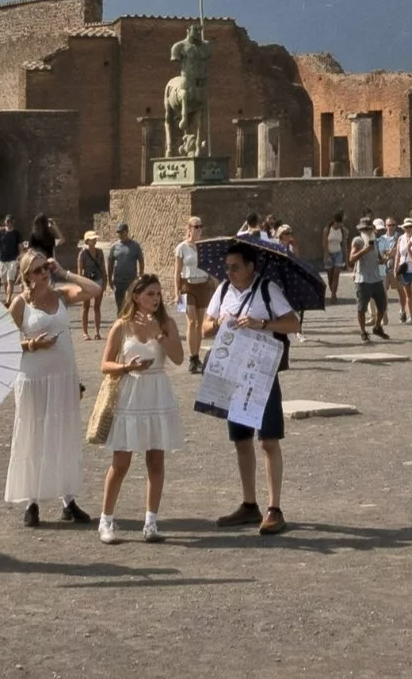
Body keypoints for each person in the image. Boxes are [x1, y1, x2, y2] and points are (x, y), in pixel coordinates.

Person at [202, 242, 300, 536]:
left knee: (269, 439)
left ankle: (274, 508)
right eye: (227, 267)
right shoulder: (222, 291)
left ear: (250, 267)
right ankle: (249, 504)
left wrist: (263, 323)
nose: (229, 272)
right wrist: (219, 322)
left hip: (263, 372)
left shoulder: (268, 290)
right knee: (240, 439)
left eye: (235, 267)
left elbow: (293, 324)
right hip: (233, 371)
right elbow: (204, 327)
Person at [5, 249, 101, 527]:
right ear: (27, 276)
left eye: (45, 268)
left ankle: (67, 500)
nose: (44, 273)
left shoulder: (61, 296)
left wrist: (64, 272)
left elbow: (95, 289)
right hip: (33, 377)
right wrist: (32, 345)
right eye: (37, 270)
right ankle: (31, 501)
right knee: (33, 436)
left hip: (63, 376)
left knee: (64, 435)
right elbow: (2, 344)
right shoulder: (20, 304)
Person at [96, 273, 186, 543]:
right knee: (121, 462)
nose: (156, 299)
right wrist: (127, 367)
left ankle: (151, 523)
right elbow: (104, 365)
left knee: (156, 460)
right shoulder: (121, 326)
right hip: (131, 393)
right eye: (150, 294)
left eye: (158, 294)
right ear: (136, 296)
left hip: (157, 393)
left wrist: (158, 333)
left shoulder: (166, 323)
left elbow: (179, 358)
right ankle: (106, 521)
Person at [173, 217, 214, 369]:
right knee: (192, 321)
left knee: (200, 323)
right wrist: (176, 292)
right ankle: (192, 357)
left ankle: (197, 356)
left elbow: (210, 268)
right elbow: (177, 271)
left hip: (202, 284)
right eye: (196, 226)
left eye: (200, 226)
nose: (198, 229)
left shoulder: (204, 246)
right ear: (189, 228)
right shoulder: (181, 247)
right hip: (187, 285)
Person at [347, 217, 392, 344]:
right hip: (363, 280)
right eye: (364, 229)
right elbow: (351, 259)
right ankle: (363, 331)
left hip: (376, 279)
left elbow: (379, 258)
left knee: (382, 305)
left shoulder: (375, 242)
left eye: (369, 228)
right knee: (361, 308)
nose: (367, 230)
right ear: (361, 230)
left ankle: (377, 327)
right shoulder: (358, 241)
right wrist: (364, 250)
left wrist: (383, 260)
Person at [105, 222, 146, 320]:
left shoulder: (135, 246)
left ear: (126, 232)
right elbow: (110, 263)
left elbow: (141, 261)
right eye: (118, 233)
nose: (120, 235)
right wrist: (109, 278)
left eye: (122, 232)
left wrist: (140, 276)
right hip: (119, 280)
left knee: (130, 303)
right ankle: (120, 325)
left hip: (131, 280)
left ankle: (131, 323)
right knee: (120, 305)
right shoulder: (114, 247)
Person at [77, 231, 108, 339]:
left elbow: (103, 268)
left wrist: (105, 281)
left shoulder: (100, 252)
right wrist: (80, 284)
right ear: (87, 241)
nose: (94, 241)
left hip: (98, 280)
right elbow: (80, 271)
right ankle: (85, 333)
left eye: (95, 239)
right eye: (91, 239)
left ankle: (97, 332)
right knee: (86, 307)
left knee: (97, 307)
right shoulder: (83, 253)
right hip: (87, 282)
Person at [0, 214, 24, 300]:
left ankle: (8, 298)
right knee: (4, 281)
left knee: (10, 280)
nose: (9, 223)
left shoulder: (16, 233)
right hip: (2, 260)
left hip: (13, 260)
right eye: (7, 221)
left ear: (13, 222)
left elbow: (20, 247)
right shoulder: (0, 232)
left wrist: (21, 258)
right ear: (5, 222)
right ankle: (8, 296)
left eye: (10, 222)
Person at [322, 212, 348, 302]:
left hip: (338, 253)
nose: (339, 225)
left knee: (336, 274)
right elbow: (324, 243)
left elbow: (343, 244)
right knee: (330, 276)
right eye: (338, 223)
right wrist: (327, 255)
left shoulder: (342, 231)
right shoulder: (327, 229)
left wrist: (346, 259)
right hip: (329, 253)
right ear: (334, 222)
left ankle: (333, 294)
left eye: (340, 223)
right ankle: (332, 290)